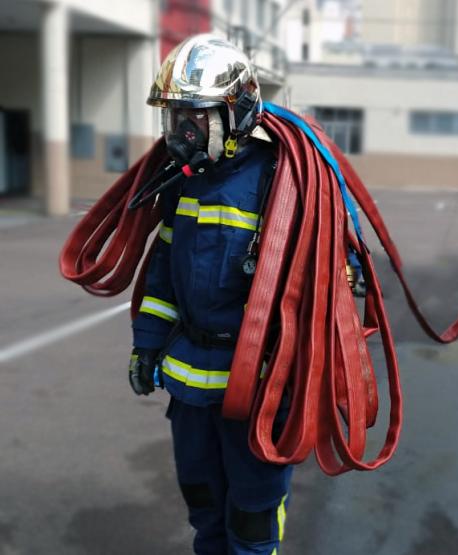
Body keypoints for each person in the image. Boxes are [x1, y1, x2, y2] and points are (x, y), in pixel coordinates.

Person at [127, 34, 291, 554]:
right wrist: (147, 344)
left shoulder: (282, 182)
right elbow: (162, 276)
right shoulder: (182, 184)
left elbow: (322, 275)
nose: (180, 133)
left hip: (256, 387)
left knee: (251, 520)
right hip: (190, 386)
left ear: (235, 113)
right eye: (174, 119)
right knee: (204, 509)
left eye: (193, 118)